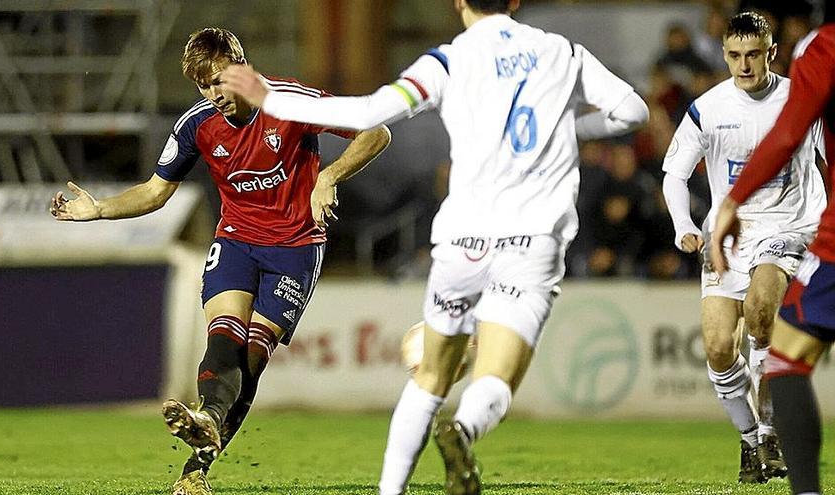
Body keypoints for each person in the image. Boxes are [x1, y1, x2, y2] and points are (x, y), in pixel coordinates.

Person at [221, 1, 649, 494]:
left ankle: (389, 491)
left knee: (428, 376)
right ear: (513, 2)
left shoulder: (447, 60)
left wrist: (270, 97)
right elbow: (632, 111)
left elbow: (367, 111)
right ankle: (464, 429)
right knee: (495, 376)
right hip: (531, 240)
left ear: (459, 3)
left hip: (462, 241)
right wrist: (571, 129)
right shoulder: (564, 53)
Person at [50, 27, 391, 495]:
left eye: (221, 81)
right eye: (204, 87)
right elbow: (154, 191)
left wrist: (328, 175)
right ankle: (206, 421)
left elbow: (377, 130)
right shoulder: (196, 124)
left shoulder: (290, 101)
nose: (216, 95)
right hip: (235, 242)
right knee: (225, 338)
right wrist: (99, 208)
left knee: (251, 360)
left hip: (295, 247)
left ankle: (196, 466)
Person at [661, 11, 826, 484]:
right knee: (716, 347)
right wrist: (682, 225)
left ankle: (773, 431)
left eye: (753, 54)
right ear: (725, 54)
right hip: (728, 232)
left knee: (760, 310)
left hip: (788, 226)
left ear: (771, 52)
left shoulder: (802, 98)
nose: (744, 65)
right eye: (734, 55)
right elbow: (674, 175)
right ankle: (753, 440)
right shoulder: (707, 109)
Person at [711, 9, 835, 495]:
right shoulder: (709, 107)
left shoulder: (822, 48)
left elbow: (787, 135)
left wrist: (733, 200)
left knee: (784, 357)